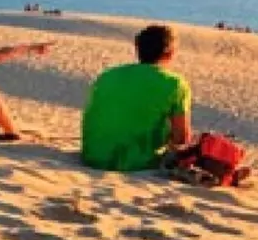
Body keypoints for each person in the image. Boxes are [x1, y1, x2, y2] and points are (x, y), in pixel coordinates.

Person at [81, 24, 192, 171]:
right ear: (169, 52)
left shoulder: (107, 75)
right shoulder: (175, 83)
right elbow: (181, 139)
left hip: (93, 156)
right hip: (138, 163)